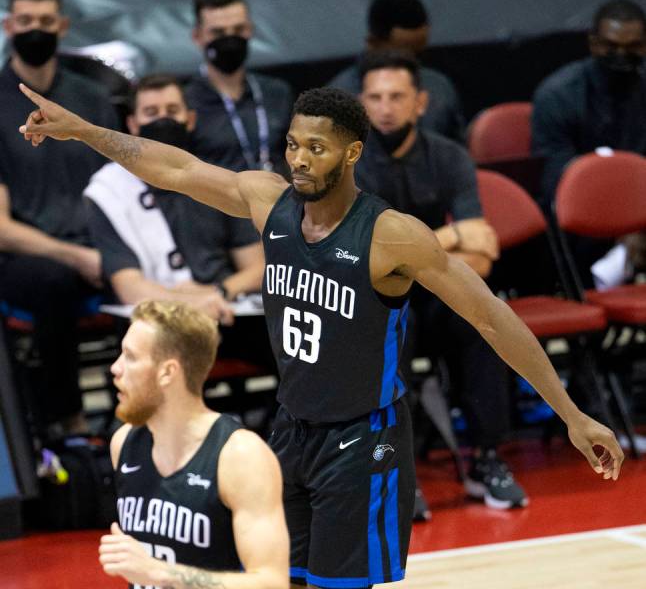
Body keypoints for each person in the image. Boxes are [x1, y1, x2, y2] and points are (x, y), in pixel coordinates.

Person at [21, 83, 623, 589]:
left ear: (352, 152)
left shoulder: (393, 236)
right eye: (292, 145)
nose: (300, 159)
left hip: (364, 440)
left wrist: (570, 414)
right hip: (291, 430)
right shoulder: (268, 202)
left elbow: (492, 316)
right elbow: (175, 168)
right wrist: (86, 132)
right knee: (278, 577)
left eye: (317, 148)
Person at [355, 51, 526, 510]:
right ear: (361, 103)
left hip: (436, 290)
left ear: (421, 102)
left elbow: (481, 256)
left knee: (482, 320)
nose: (386, 107)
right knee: (387, 336)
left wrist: (405, 252)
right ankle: (397, 473)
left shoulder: (449, 157)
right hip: (372, 298)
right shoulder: (345, 163)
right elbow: (361, 256)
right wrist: (449, 236)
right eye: (375, 97)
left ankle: (487, 459)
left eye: (396, 96)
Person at [99, 298, 289, 588]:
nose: (116, 368)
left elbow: (272, 582)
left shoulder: (241, 456)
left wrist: (161, 573)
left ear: (168, 372)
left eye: (130, 357)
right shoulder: (123, 443)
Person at [0, 0, 118, 436]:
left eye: (45, 20)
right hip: (25, 260)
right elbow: (2, 229)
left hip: (98, 246)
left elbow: (124, 186)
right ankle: (68, 424)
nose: (36, 29)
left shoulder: (91, 98)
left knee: (157, 269)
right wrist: (79, 256)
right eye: (26, 20)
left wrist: (114, 253)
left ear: (63, 25)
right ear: (9, 24)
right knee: (54, 281)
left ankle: (154, 415)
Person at [84, 74, 264, 323]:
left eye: (172, 110)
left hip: (229, 310)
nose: (163, 119)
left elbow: (257, 267)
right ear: (133, 125)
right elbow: (129, 287)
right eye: (151, 112)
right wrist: (192, 303)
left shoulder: (218, 179)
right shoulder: (109, 192)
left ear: (189, 120)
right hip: (157, 319)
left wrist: (219, 292)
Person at [532, 0, 646, 205]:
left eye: (633, 46)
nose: (621, 55)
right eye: (611, 45)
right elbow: (557, 179)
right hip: (583, 207)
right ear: (593, 43)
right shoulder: (558, 95)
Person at [328, 0, 465, 142]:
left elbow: (458, 155)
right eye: (403, 54)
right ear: (373, 43)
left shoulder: (440, 88)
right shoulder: (338, 100)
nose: (412, 63)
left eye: (418, 53)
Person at [185, 0, 292, 175]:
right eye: (218, 32)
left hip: (279, 199)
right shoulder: (186, 102)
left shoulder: (276, 92)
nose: (230, 39)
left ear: (250, 30)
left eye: (238, 29)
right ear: (197, 36)